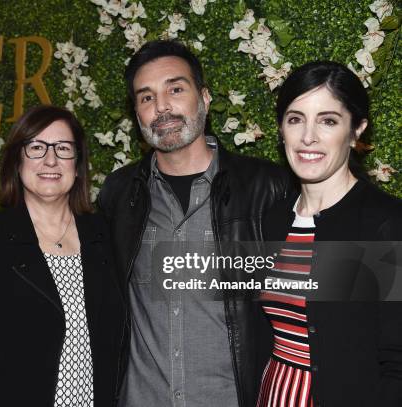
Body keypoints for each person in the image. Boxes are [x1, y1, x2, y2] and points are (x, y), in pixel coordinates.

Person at [97, 40, 291, 407]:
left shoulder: (267, 189)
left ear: (203, 98)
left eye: (175, 89)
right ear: (136, 113)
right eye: (146, 97)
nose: (162, 107)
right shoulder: (119, 195)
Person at [0, 105, 124, 407]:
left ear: (78, 164)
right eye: (37, 147)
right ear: (17, 161)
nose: (50, 160)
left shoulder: (106, 237)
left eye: (63, 148)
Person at [257, 61, 402, 406]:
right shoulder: (272, 220)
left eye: (328, 121)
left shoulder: (385, 224)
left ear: (356, 130)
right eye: (295, 119)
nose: (308, 137)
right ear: (281, 129)